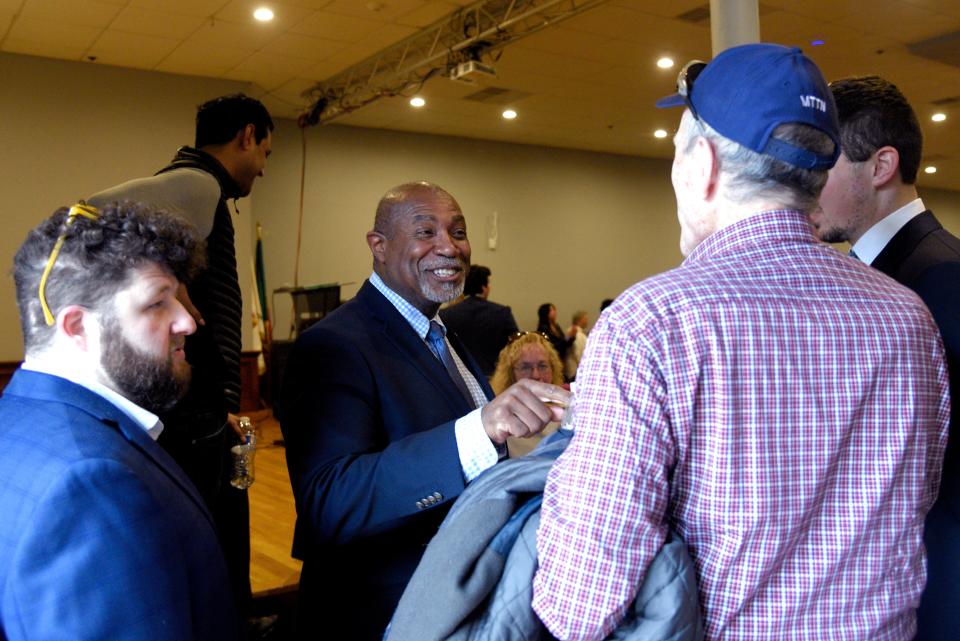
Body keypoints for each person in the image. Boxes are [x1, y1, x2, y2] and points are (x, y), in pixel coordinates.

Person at [533, 44, 950, 641]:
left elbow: (583, 602)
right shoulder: (907, 318)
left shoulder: (651, 322)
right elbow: (918, 499)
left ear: (701, 163)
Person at [280, 181, 570, 641]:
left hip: (456, 601)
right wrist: (481, 428)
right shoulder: (332, 345)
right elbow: (329, 501)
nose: (449, 247)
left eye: (458, 232)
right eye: (426, 232)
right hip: (380, 612)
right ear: (378, 246)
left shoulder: (444, 334)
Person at [0, 201, 239, 641]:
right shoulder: (90, 482)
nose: (188, 320)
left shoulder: (15, 416)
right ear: (77, 327)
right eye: (156, 303)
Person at [88, 93, 273, 616]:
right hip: (190, 420)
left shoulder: (198, 191)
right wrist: (156, 280)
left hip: (199, 413)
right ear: (246, 136)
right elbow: (87, 211)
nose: (261, 169)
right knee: (212, 557)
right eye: (265, 153)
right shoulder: (199, 181)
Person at [811, 75, 960, 640]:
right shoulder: (875, 279)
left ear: (880, 166)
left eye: (823, 167)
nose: (806, 187)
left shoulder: (941, 275)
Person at [439, 264, 518, 377]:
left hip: (459, 378)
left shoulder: (445, 314)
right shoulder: (502, 312)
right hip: (494, 377)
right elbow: (515, 346)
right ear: (484, 287)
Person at [490, 331, 564, 394]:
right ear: (510, 374)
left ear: (553, 369)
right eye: (525, 368)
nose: (536, 376)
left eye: (542, 366)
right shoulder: (497, 410)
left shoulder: (568, 406)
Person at [564, 310, 588, 380]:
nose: (587, 321)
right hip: (575, 370)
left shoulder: (572, 331)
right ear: (579, 320)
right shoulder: (577, 334)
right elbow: (578, 353)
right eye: (585, 319)